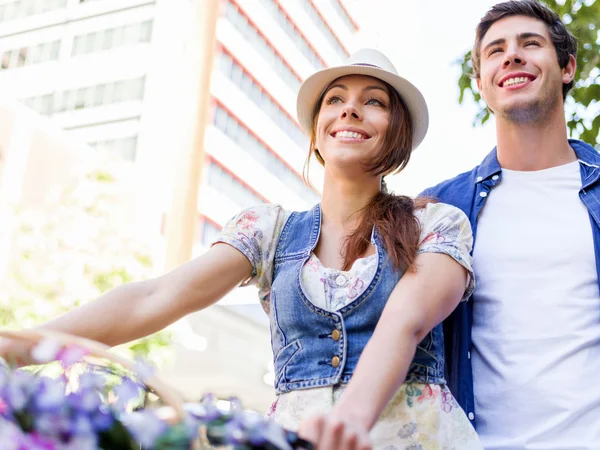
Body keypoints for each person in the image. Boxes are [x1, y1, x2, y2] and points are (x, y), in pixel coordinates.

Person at [1, 49, 481, 449]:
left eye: (372, 101)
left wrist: (351, 418)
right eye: (335, 100)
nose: (349, 110)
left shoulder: (435, 225)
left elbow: (406, 322)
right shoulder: (267, 232)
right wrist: (19, 347)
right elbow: (153, 297)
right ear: (317, 131)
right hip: (293, 438)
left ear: (397, 132)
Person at [421, 1, 600, 449]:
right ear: (481, 83)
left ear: (567, 68)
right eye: (495, 50)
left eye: (531, 43)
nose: (512, 56)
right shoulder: (440, 209)